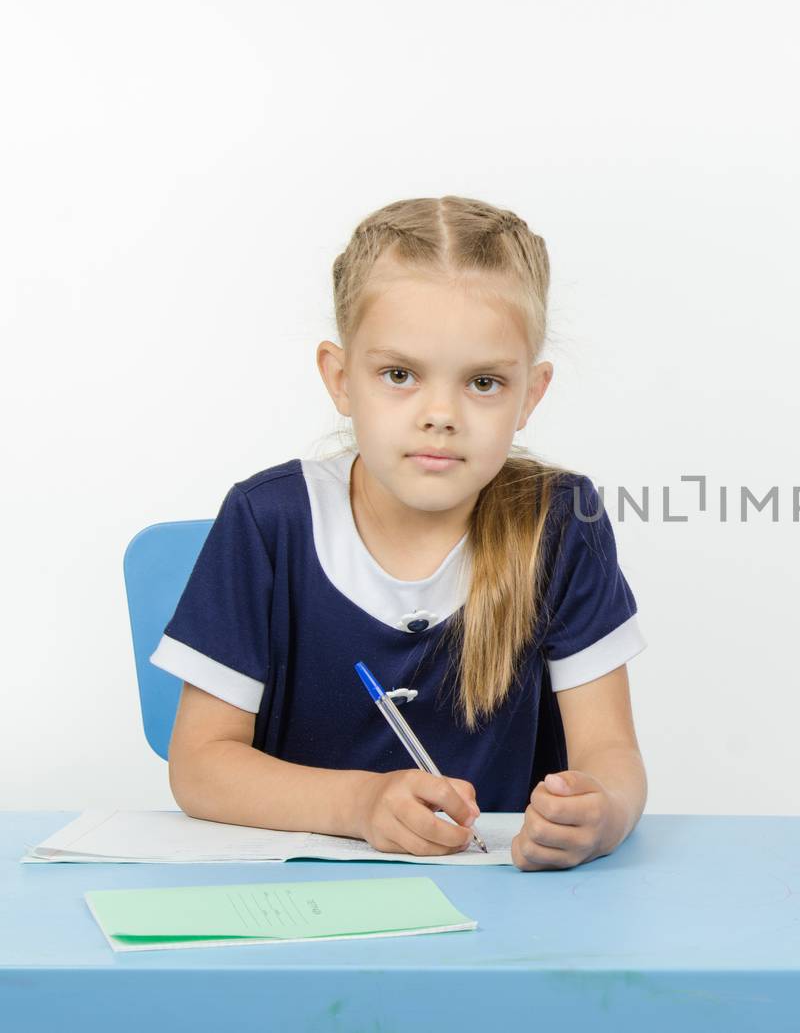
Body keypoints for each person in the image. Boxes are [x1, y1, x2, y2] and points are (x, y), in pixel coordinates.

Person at [158, 196, 647, 871]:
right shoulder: (268, 520)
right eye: (399, 375)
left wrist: (601, 812)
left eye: (483, 381)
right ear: (340, 378)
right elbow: (200, 766)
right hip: (300, 911)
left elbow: (611, 755)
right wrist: (360, 805)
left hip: (506, 912)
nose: (440, 414)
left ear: (530, 394)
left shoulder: (561, 523)